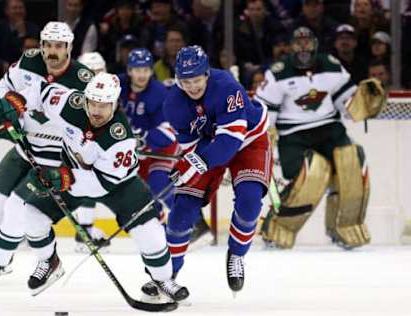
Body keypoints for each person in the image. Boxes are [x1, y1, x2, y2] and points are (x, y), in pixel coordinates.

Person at [0, 72, 190, 301]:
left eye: (104, 105)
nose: (97, 111)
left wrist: (66, 177)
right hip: (70, 173)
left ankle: (162, 279)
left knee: (150, 232)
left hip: (119, 185)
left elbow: (101, 184)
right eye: (92, 103)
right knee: (31, 214)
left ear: (115, 103)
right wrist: (14, 103)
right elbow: (40, 91)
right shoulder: (71, 103)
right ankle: (48, 261)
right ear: (85, 98)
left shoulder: (120, 138)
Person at [0, 22, 104, 282]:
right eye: (48, 45)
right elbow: (3, 88)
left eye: (59, 46)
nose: (53, 51)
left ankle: (29, 261)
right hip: (24, 145)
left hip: (56, 155)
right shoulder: (29, 60)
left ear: (69, 48)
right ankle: (2, 258)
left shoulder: (83, 79)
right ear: (41, 46)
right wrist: (7, 110)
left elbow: (90, 122)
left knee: (19, 208)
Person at [142, 45, 271, 297]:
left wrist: (196, 162)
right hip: (208, 144)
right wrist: (185, 169)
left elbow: (230, 142)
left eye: (196, 79)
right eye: (185, 80)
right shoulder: (174, 104)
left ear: (207, 75)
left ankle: (236, 253)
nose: (192, 86)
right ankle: (166, 275)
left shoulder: (226, 85)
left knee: (249, 199)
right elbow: (191, 147)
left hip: (248, 139)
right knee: (182, 208)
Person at [255, 27, 386, 250]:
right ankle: (278, 227)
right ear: (290, 46)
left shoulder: (331, 65)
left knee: (352, 161)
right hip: (293, 136)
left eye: (307, 43)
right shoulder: (278, 73)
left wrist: (364, 101)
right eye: (298, 44)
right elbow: (264, 113)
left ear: (315, 45)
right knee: (313, 173)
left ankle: (344, 227)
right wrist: (263, 140)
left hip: (330, 130)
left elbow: (348, 106)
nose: (303, 48)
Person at [119, 48, 178, 211]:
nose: (142, 75)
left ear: (151, 70)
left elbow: (169, 131)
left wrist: (143, 137)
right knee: (145, 196)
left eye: (145, 70)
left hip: (163, 148)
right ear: (129, 71)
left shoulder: (158, 93)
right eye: (137, 70)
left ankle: (185, 218)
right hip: (137, 151)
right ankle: (159, 226)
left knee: (158, 182)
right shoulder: (118, 86)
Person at [0, 0, 40, 67]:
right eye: (15, 8)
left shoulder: (33, 29)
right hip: (3, 69)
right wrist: (1, 63)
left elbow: (31, 53)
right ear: (6, 11)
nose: (18, 11)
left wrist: (22, 35)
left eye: (21, 8)